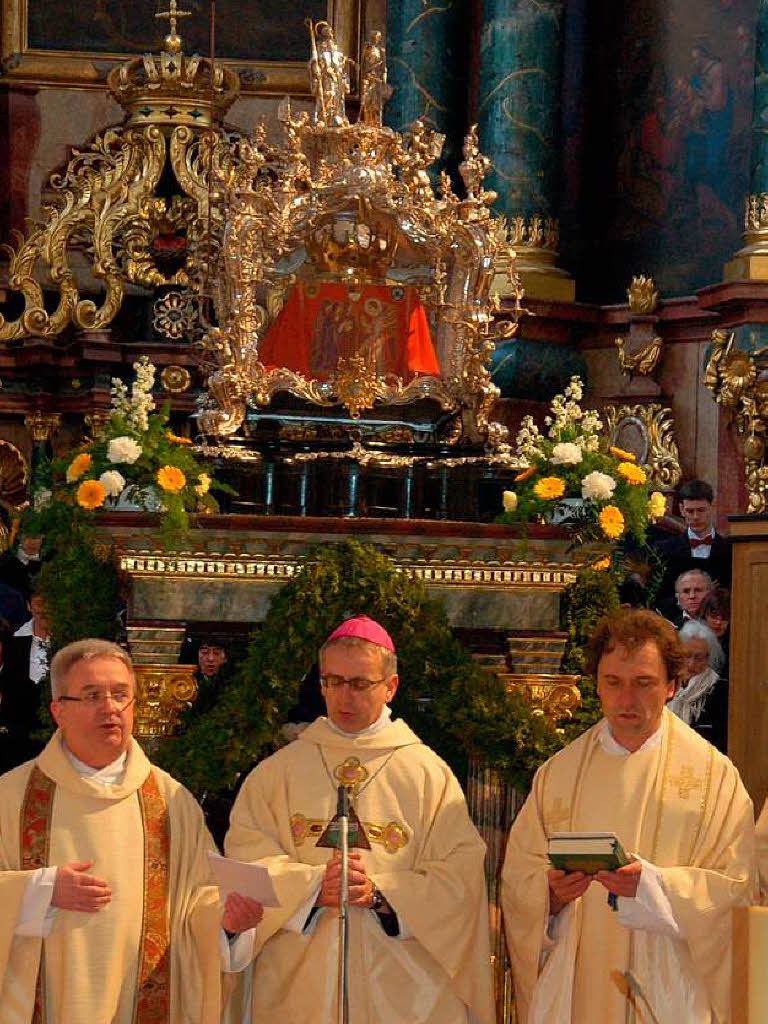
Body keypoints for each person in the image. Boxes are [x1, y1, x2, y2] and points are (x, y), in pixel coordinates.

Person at [223, 614, 495, 1023]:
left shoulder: (426, 773)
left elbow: (460, 879)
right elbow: (245, 864)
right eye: (332, 681)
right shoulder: (278, 772)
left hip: (403, 994)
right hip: (298, 991)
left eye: (359, 683)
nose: (343, 697)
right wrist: (313, 887)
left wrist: (382, 895)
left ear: (391, 686)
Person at [501, 609, 753, 1024]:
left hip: (671, 990)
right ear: (596, 685)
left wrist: (653, 887)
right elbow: (516, 883)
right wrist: (551, 897)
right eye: (613, 683)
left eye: (644, 684)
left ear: (672, 686)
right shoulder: (559, 774)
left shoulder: (714, 779)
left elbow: (740, 894)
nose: (626, 700)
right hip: (578, 986)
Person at [0, 638, 253, 1023]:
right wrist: (38, 891)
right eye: (92, 695)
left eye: (121, 694)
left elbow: (201, 896)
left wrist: (226, 922)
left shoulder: (171, 801)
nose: (110, 707)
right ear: (58, 711)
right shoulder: (11, 798)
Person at [655, 480, 732, 605]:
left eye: (701, 510)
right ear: (681, 509)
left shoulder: (730, 550)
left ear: (712, 507)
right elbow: (659, 597)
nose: (695, 517)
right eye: (690, 511)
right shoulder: (664, 550)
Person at [1, 588, 52, 768]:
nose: (42, 610)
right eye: (38, 604)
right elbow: (6, 682)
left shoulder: (64, 643)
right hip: (18, 726)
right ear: (29, 607)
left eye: (47, 605)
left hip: (52, 726)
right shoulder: (13, 641)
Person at [669, 620, 728, 752]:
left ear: (708, 658)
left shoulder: (720, 690)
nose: (691, 664)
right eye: (687, 656)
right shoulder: (668, 685)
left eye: (698, 658)